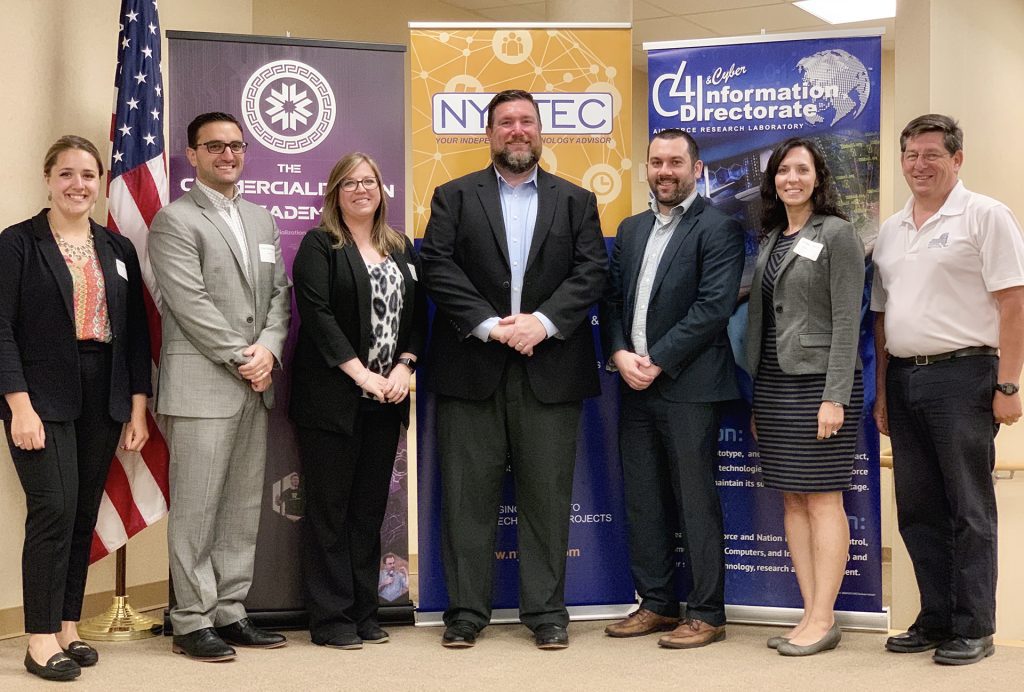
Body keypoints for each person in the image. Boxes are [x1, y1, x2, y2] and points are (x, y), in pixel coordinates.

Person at [419, 89, 607, 650]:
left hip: (550, 367)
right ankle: (465, 614)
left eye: (527, 121)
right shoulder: (454, 195)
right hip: (471, 367)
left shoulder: (576, 200)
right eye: (506, 122)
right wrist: (489, 325)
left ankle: (547, 613)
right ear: (490, 133)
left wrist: (542, 323)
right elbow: (437, 265)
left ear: (540, 131)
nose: (517, 130)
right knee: (466, 498)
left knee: (547, 499)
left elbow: (592, 271)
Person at [873, 114, 1024, 666]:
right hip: (904, 377)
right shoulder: (891, 229)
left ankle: (974, 626)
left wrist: (1009, 383)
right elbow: (882, 318)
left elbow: (1014, 302)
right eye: (911, 155)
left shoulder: (985, 215)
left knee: (968, 507)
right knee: (917, 508)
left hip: (965, 376)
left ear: (957, 159)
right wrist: (883, 394)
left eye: (932, 154)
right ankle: (935, 617)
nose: (919, 165)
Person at [0, 136, 151, 681]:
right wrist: (18, 405)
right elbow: (1, 329)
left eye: (88, 175)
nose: (77, 185)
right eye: (66, 173)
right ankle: (39, 639)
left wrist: (137, 408)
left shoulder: (118, 248)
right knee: (53, 509)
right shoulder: (18, 243)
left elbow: (135, 333)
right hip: (39, 395)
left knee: (83, 511)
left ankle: (67, 625)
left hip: (104, 392)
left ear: (100, 182)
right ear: (48, 179)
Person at [149, 112, 292, 662]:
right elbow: (189, 304)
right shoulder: (175, 220)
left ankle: (230, 610)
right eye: (214, 146)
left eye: (235, 145)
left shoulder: (261, 218)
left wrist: (269, 350)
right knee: (197, 508)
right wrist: (244, 357)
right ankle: (191, 619)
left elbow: (279, 295)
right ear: (193, 155)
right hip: (202, 386)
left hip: (254, 381)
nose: (227, 155)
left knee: (240, 506)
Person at [599, 129, 744, 649]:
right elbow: (611, 299)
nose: (665, 171)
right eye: (656, 162)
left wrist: (657, 360)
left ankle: (706, 613)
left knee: (694, 501)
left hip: (689, 385)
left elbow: (713, 307)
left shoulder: (719, 227)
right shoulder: (632, 228)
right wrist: (620, 353)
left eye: (676, 162)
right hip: (634, 384)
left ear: (696, 169)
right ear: (646, 168)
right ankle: (657, 603)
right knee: (644, 499)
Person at [290, 152, 425, 650]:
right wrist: (363, 375)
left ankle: (366, 611)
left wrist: (403, 367)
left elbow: (417, 318)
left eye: (369, 181)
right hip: (332, 399)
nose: (360, 189)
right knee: (330, 512)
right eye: (349, 182)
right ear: (335, 193)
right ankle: (331, 619)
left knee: (368, 513)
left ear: (381, 190)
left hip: (386, 399)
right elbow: (317, 315)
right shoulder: (320, 243)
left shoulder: (401, 247)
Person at [745, 137, 865, 657]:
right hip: (774, 384)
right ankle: (810, 612)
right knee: (792, 498)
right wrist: (757, 396)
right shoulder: (773, 236)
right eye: (782, 171)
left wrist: (835, 395)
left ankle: (823, 618)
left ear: (818, 178)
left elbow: (847, 321)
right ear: (773, 180)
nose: (791, 179)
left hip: (821, 385)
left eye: (801, 169)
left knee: (822, 497)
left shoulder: (836, 233)